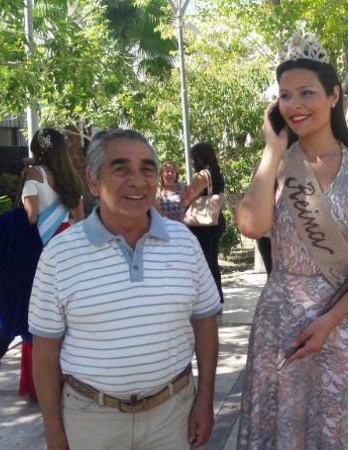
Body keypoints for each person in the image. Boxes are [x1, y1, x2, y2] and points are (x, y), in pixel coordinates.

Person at [236, 32, 348, 447]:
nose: (295, 105)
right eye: (285, 96)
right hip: (279, 317)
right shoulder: (277, 165)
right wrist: (271, 150)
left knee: (333, 424)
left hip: (338, 318)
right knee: (278, 423)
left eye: (307, 93)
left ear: (333, 95)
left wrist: (331, 319)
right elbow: (251, 226)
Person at [29, 129, 221, 449]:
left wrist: (205, 400)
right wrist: (53, 429)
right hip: (92, 419)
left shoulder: (184, 242)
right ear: (93, 182)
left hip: (172, 415)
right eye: (120, 169)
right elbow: (45, 350)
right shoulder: (60, 254)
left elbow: (204, 323)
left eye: (147, 169)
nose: (137, 179)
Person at [16, 128, 86, 400]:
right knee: (71, 313)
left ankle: (41, 383)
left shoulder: (34, 175)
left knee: (42, 315)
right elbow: (79, 219)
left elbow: (31, 217)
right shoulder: (71, 177)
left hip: (43, 249)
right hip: (71, 245)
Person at [182, 142, 226, 304]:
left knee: (203, 263)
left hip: (202, 225)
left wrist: (185, 196)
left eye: (193, 158)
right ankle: (217, 298)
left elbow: (186, 199)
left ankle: (207, 300)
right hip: (216, 221)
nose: (192, 162)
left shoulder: (203, 175)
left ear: (199, 158)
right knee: (213, 262)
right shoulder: (217, 174)